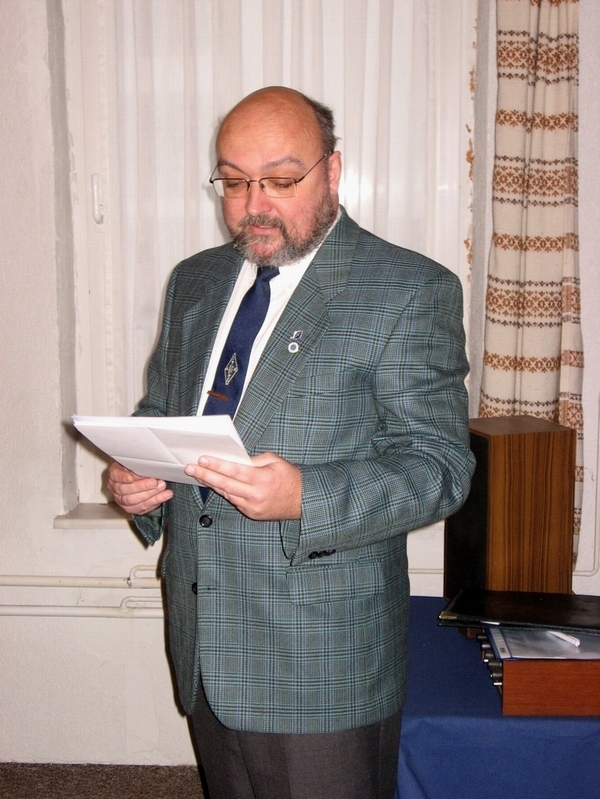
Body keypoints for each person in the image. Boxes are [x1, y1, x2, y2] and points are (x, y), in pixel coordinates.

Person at [108, 86, 475, 799]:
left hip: (322, 660)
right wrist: (137, 482)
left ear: (332, 171)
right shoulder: (195, 282)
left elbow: (440, 468)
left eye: (280, 180)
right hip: (205, 638)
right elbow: (163, 412)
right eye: (234, 182)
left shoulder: (407, 289)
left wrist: (308, 495)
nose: (255, 205)